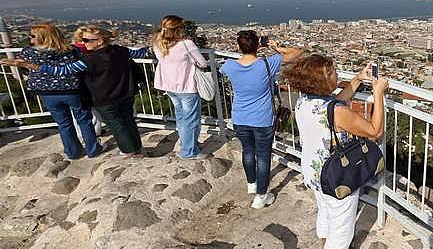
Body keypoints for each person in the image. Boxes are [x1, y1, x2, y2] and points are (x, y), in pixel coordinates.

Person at [284, 55, 389, 249]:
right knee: (342, 231)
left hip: (314, 171)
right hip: (338, 176)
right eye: (332, 72)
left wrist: (357, 79)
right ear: (320, 81)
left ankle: (323, 236)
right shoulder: (337, 112)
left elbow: (336, 103)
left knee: (325, 210)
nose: (337, 73)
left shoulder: (304, 101)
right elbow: (375, 131)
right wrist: (378, 94)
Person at [6, 26, 149, 158]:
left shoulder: (88, 60)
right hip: (126, 94)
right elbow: (141, 53)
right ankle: (135, 147)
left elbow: (60, 71)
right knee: (128, 121)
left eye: (86, 40)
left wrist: (27, 65)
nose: (82, 42)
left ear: (99, 41)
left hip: (104, 98)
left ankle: (128, 151)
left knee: (117, 125)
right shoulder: (121, 50)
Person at [220, 30, 303, 209]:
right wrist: (274, 46)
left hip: (240, 117)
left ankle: (252, 184)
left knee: (248, 151)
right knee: (263, 156)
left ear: (238, 46)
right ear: (258, 45)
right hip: (262, 118)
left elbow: (222, 70)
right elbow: (297, 53)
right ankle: (261, 196)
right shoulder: (267, 64)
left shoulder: (229, 66)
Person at [1, 23, 102, 159]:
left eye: (32, 36)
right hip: (73, 91)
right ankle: (93, 150)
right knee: (84, 120)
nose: (30, 38)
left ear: (42, 37)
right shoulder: (70, 50)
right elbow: (83, 64)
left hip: (48, 93)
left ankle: (73, 152)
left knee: (63, 124)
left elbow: (25, 67)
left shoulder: (29, 53)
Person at [152, 15, 209, 160]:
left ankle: (189, 145)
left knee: (182, 118)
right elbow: (203, 63)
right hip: (186, 86)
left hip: (170, 87)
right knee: (191, 119)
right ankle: (189, 151)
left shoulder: (157, 43)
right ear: (178, 29)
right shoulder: (186, 44)